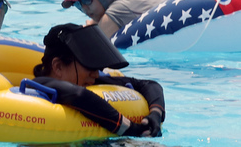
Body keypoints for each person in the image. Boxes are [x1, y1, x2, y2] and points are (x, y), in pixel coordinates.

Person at [29, 23, 165, 138]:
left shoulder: (92, 79)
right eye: (89, 66)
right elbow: (78, 95)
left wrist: (155, 115)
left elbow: (148, 84)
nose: (95, 74)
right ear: (58, 67)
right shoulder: (39, 84)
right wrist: (129, 129)